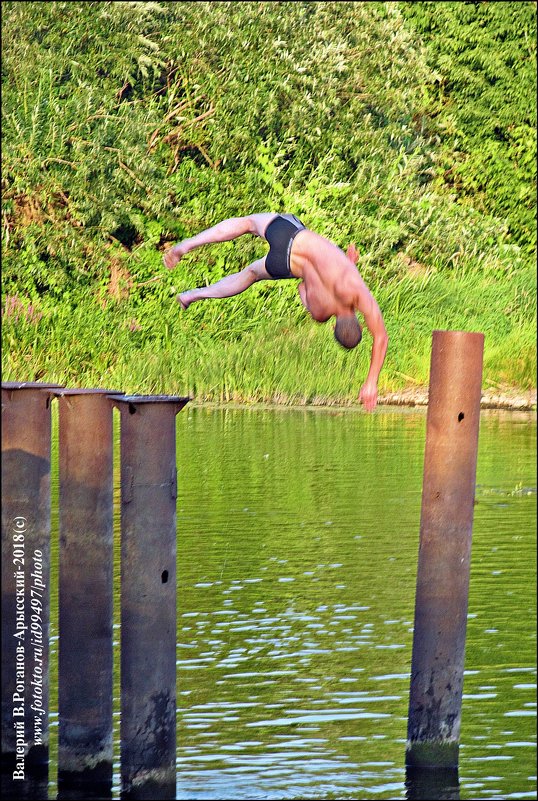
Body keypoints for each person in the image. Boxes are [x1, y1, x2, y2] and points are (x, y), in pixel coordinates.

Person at [163, 212, 388, 411]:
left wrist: (349, 264)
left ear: (358, 320)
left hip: (291, 235)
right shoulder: (320, 313)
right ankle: (193, 295)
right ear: (334, 326)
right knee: (250, 274)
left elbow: (381, 337)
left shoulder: (356, 288)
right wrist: (370, 382)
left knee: (248, 223)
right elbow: (302, 288)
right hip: (287, 263)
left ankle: (187, 245)